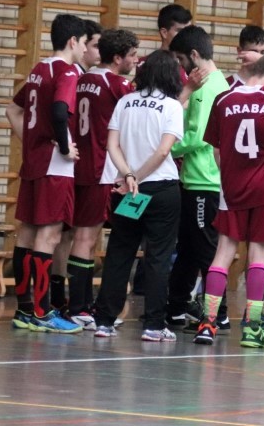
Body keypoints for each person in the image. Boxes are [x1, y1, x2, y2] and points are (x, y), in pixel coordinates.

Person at [192, 53, 264, 348]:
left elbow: (216, 150)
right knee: (258, 256)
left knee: (223, 253)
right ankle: (251, 328)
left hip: (232, 188)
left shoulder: (223, 100)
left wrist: (230, 176)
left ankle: (207, 324)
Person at [92, 50, 184, 341]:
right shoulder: (172, 106)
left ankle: (104, 321)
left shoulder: (125, 101)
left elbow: (112, 145)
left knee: (120, 252)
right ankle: (154, 325)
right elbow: (164, 151)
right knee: (158, 257)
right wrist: (139, 177)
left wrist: (129, 175)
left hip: (128, 190)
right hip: (161, 189)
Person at [5, 13, 86, 333]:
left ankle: (24, 309)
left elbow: (13, 110)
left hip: (34, 162)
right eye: (83, 43)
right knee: (50, 235)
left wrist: (33, 142)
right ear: (72, 41)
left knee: (27, 231)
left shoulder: (39, 69)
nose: (84, 49)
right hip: (55, 167)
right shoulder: (67, 71)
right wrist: (64, 147)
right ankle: (42, 311)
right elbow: (58, 111)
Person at [63, 29, 139, 330]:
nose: (136, 60)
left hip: (79, 165)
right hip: (101, 168)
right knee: (86, 238)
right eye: (132, 55)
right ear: (117, 58)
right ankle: (79, 307)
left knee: (84, 237)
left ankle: (84, 304)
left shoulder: (82, 78)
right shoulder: (117, 84)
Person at [165, 25, 231, 332]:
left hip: (205, 180)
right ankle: (177, 306)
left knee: (205, 250)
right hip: (194, 179)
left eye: (181, 60)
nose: (181, 67)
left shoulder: (208, 87)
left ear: (194, 55)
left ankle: (219, 312)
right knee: (189, 249)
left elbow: (199, 136)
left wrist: (165, 149)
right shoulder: (214, 83)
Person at [51, 18, 104, 315]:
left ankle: (69, 298)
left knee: (75, 235)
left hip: (81, 165)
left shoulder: (86, 78)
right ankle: (62, 298)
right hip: (74, 165)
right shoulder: (72, 74)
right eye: (92, 44)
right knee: (67, 234)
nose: (95, 50)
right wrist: (57, 144)